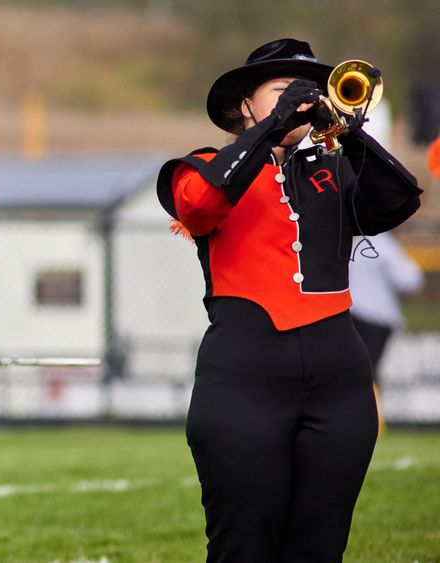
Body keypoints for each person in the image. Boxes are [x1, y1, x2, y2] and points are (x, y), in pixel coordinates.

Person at [157, 38, 422, 561]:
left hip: (339, 380)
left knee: (320, 544)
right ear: (244, 105)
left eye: (308, 90)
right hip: (244, 377)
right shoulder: (203, 165)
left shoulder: (332, 169)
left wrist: (346, 130)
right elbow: (202, 205)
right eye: (282, 89)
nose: (300, 98)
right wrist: (270, 129)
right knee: (245, 542)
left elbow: (398, 200)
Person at [349, 232, 424, 428]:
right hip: (377, 317)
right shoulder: (384, 244)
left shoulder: (350, 242)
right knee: (369, 370)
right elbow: (410, 281)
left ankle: (362, 419)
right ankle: (373, 421)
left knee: (358, 369)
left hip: (349, 313)